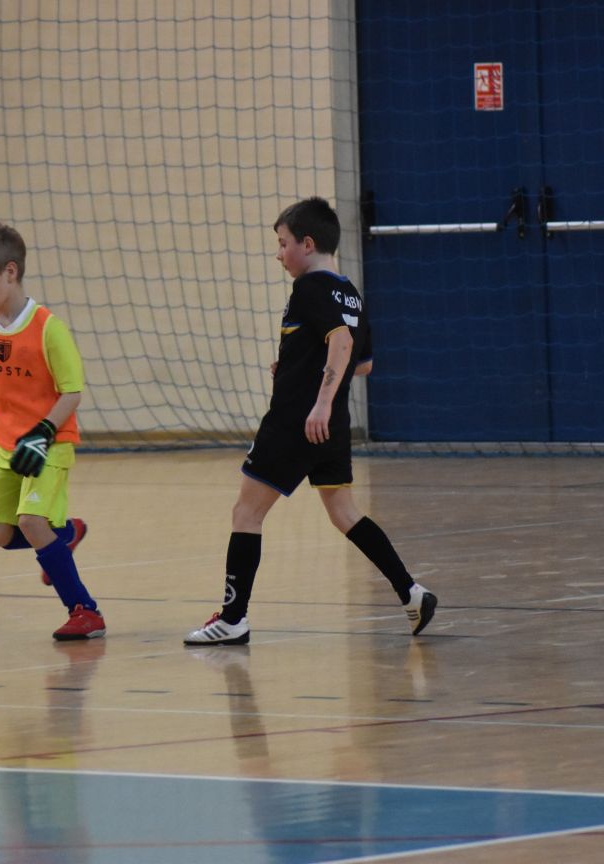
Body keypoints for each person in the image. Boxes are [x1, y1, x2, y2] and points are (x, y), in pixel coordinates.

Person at [184, 197, 436, 646]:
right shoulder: (350, 293)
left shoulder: (309, 288)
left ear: (307, 243)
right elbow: (363, 364)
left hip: (297, 422)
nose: (278, 254)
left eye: (283, 244)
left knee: (246, 512)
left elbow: (341, 344)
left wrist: (318, 401)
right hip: (332, 426)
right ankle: (412, 593)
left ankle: (233, 619)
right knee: (344, 513)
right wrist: (301, 367)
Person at [0, 222, 104, 640]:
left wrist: (43, 431)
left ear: (10, 272)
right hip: (9, 444)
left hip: (50, 441)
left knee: (32, 520)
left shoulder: (47, 327)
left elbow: (72, 392)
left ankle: (85, 611)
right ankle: (66, 534)